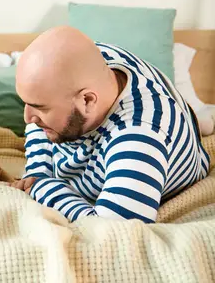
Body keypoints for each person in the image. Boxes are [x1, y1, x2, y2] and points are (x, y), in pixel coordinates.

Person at [11, 26, 210, 223]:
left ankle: (194, 126)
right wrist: (38, 171)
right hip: (152, 114)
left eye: (40, 107)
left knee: (165, 128)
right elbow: (39, 119)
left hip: (166, 135)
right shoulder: (87, 61)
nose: (27, 118)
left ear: (87, 100)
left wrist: (43, 187)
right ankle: (199, 122)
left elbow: (112, 228)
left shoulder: (138, 137)